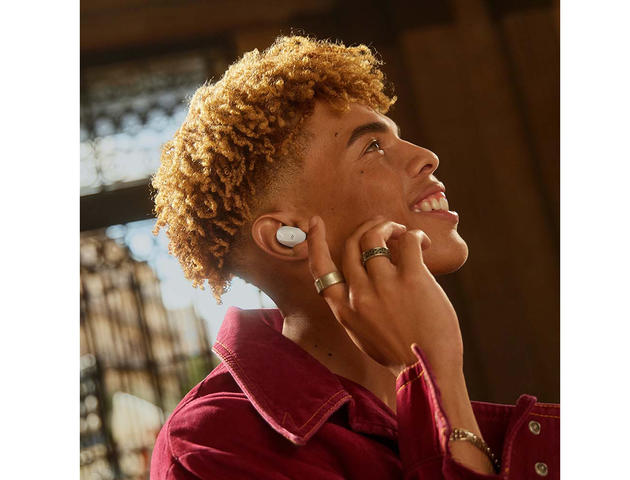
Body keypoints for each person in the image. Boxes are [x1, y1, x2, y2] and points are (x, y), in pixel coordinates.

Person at [150, 35, 559, 479]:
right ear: (288, 236)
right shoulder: (212, 442)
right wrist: (434, 374)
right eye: (373, 147)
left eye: (396, 137)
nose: (428, 157)